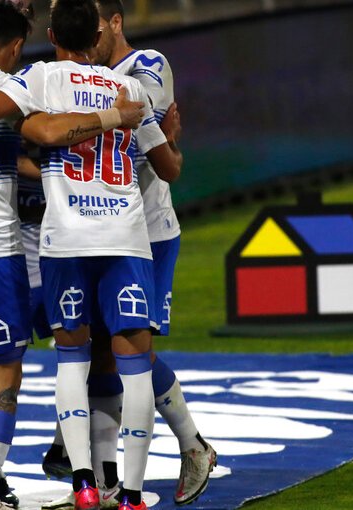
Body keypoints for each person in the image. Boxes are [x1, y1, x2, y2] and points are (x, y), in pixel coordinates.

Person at [0, 1, 183, 508]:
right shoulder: (129, 89)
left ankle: (82, 483)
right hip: (125, 237)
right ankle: (130, 494)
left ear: (53, 33)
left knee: (72, 360)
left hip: (63, 240)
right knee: (135, 364)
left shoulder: (39, 77)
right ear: (98, 35)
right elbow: (169, 168)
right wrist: (167, 137)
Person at [42, 1, 216, 508]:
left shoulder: (147, 67)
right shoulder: (90, 79)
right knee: (101, 350)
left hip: (147, 229)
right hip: (98, 227)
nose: (94, 34)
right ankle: (106, 471)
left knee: (131, 350)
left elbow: (150, 150)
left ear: (114, 22)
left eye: (99, 24)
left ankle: (191, 444)